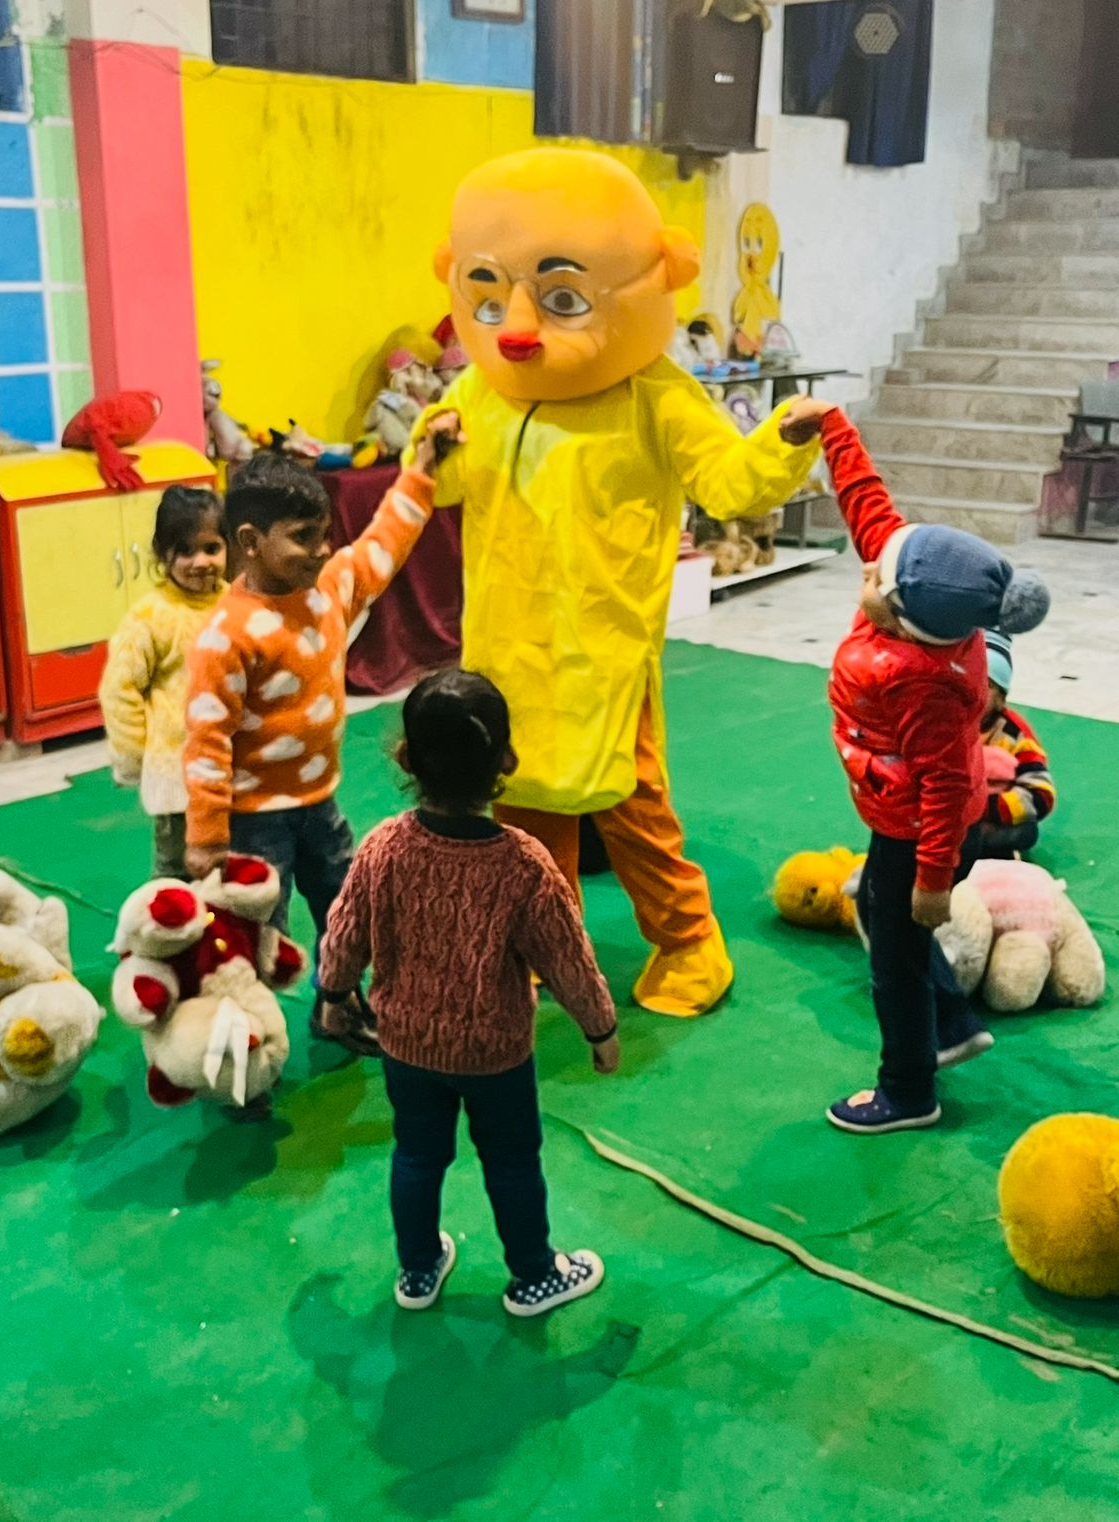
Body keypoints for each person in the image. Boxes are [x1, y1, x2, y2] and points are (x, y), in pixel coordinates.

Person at [409, 148, 821, 1019]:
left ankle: (689, 941)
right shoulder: (483, 392)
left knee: (631, 806)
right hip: (506, 648)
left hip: (605, 655)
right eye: (490, 301)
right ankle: (539, 942)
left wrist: (783, 438)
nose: (518, 330)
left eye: (561, 301)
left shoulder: (652, 396)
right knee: (522, 805)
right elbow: (445, 484)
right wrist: (429, 448)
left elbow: (728, 482)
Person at [779, 397, 1051, 1135]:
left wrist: (933, 881)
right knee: (875, 907)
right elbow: (869, 506)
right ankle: (952, 1021)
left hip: (923, 832)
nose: (864, 573)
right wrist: (832, 426)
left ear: (905, 620)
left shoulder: (926, 683)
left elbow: (947, 787)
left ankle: (907, 1089)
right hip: (895, 813)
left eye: (875, 581)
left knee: (894, 959)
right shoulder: (910, 585)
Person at [319, 669, 620, 1316]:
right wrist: (600, 1028)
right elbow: (568, 959)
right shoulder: (524, 864)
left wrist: (334, 996)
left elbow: (344, 933)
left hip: (406, 1046)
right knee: (512, 1162)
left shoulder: (382, 849)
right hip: (496, 1055)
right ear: (506, 760)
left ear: (407, 758)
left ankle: (418, 1270)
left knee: (416, 1156)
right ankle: (534, 1275)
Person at [182, 414, 459, 1037]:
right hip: (253, 819)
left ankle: (336, 1005)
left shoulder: (328, 589)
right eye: (304, 538)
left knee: (347, 909)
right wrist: (205, 836)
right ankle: (247, 1033)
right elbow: (206, 742)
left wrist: (421, 471)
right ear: (250, 541)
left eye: (325, 535)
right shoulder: (226, 635)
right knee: (257, 930)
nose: (322, 550)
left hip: (319, 803)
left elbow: (385, 541)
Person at [99, 486, 227, 877]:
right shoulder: (150, 617)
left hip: (234, 773)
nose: (200, 562)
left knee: (234, 874)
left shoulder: (238, 605)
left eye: (211, 548)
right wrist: (134, 758)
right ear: (161, 554)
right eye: (185, 551)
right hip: (177, 780)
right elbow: (120, 689)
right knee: (177, 877)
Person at [980, 629, 1056, 859]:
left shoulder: (1016, 734)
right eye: (969, 681)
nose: (975, 691)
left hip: (990, 817)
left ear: (1001, 697)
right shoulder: (943, 721)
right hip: (948, 815)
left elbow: (1042, 794)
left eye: (987, 685)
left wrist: (987, 807)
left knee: (1024, 832)